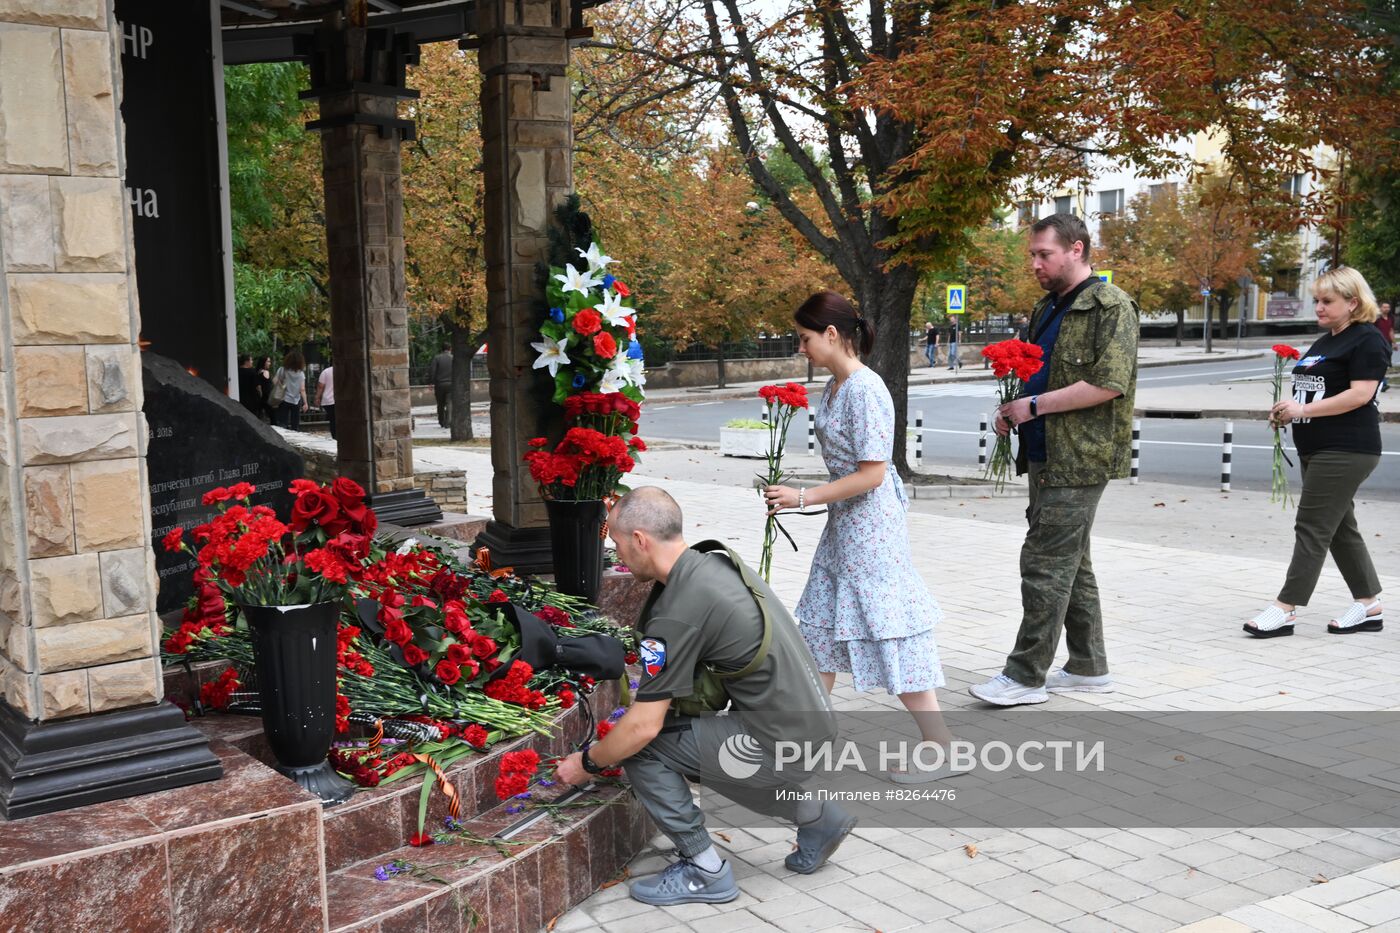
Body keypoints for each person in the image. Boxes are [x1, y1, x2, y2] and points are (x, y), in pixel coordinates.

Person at [555, 488, 851, 906]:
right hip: (810, 725)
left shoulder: (676, 609)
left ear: (641, 539)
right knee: (690, 743)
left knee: (645, 748)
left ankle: (705, 870)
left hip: (780, 742)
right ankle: (817, 818)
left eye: (618, 544)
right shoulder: (711, 563)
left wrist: (587, 763)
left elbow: (642, 728)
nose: (617, 556)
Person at [763, 291, 953, 781]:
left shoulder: (866, 389)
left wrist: (803, 497)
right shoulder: (836, 386)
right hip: (847, 526)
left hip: (871, 532)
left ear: (831, 334)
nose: (800, 348)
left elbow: (872, 474)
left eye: (804, 338)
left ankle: (942, 750)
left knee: (893, 636)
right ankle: (800, 745)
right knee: (822, 631)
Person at [970, 213, 1139, 706]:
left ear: (1076, 250)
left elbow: (1109, 384)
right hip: (1044, 450)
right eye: (1033, 255)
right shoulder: (1047, 307)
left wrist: (1034, 406)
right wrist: (1014, 408)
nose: (1035, 263)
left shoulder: (1111, 306)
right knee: (1072, 562)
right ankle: (1088, 666)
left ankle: (1024, 676)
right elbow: (1041, 374)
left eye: (1044, 254)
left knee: (1044, 562)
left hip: (1081, 457)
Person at [1246, 267, 1389, 638]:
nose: (1319, 308)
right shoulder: (1327, 340)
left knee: (1311, 527)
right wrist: (1288, 406)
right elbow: (1317, 389)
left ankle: (1286, 609)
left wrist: (1304, 410)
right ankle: (1369, 605)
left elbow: (1360, 394)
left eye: (1327, 301)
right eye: (1317, 301)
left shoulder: (1367, 340)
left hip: (1346, 448)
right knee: (1341, 528)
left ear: (1352, 302)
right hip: (1317, 446)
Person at [272, 350, 308, 430]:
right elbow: (302, 389)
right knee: (295, 423)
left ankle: (282, 439)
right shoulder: (301, 373)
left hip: (284, 399)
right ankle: (295, 437)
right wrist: (305, 402)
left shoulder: (282, 369)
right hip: (296, 400)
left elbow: (274, 381)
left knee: (282, 422)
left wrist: (281, 386)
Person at [427, 343, 453, 428]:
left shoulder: (437, 358)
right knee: (449, 403)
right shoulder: (453, 358)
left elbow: (432, 371)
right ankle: (448, 422)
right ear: (450, 349)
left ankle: (441, 421)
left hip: (439, 385)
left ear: (442, 349)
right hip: (451, 384)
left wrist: (431, 382)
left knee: (440, 404)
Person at [316, 360, 336, 440]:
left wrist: (317, 397)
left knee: (332, 419)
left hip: (328, 400)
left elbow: (320, 386)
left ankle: (335, 436)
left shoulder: (325, 372)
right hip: (340, 400)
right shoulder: (343, 370)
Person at [1376, 301, 1393, 392]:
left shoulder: (1391, 318)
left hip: (1388, 344)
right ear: (1380, 308)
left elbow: (1391, 330)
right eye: (1384, 307)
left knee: (1386, 364)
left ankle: (1382, 383)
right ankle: (1383, 384)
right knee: (1381, 363)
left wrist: (1393, 343)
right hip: (1378, 344)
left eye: (1388, 307)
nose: (1386, 309)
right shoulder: (1376, 319)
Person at [258, 356, 275, 421]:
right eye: (268, 361)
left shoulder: (258, 372)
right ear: (263, 362)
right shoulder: (265, 372)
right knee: (273, 419)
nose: (269, 363)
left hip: (262, 399)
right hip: (268, 398)